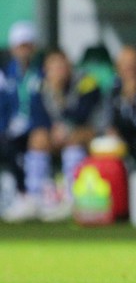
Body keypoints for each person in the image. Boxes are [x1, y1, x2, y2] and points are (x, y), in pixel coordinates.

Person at [38, 48, 103, 220]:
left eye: (62, 65)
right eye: (54, 66)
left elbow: (82, 114)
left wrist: (58, 94)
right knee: (38, 138)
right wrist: (53, 132)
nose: (59, 70)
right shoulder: (40, 85)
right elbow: (38, 116)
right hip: (57, 136)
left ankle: (72, 195)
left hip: (90, 133)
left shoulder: (86, 82)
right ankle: (37, 196)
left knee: (73, 139)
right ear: (46, 68)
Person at [0, 21, 52, 222]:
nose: (24, 51)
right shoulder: (5, 74)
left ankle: (35, 197)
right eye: (21, 46)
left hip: (35, 128)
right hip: (8, 130)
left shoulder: (42, 73)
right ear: (13, 48)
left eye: (28, 45)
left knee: (37, 141)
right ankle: (18, 196)